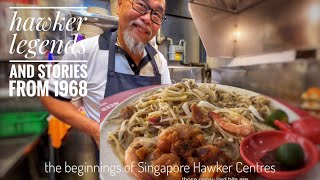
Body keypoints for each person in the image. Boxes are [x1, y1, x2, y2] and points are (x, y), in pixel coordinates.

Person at [40, 0, 170, 152]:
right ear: (119, 5)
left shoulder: (159, 61)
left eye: (157, 14)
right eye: (141, 5)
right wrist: (95, 130)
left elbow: (167, 108)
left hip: (149, 157)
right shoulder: (85, 51)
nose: (147, 18)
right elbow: (51, 97)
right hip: (107, 156)